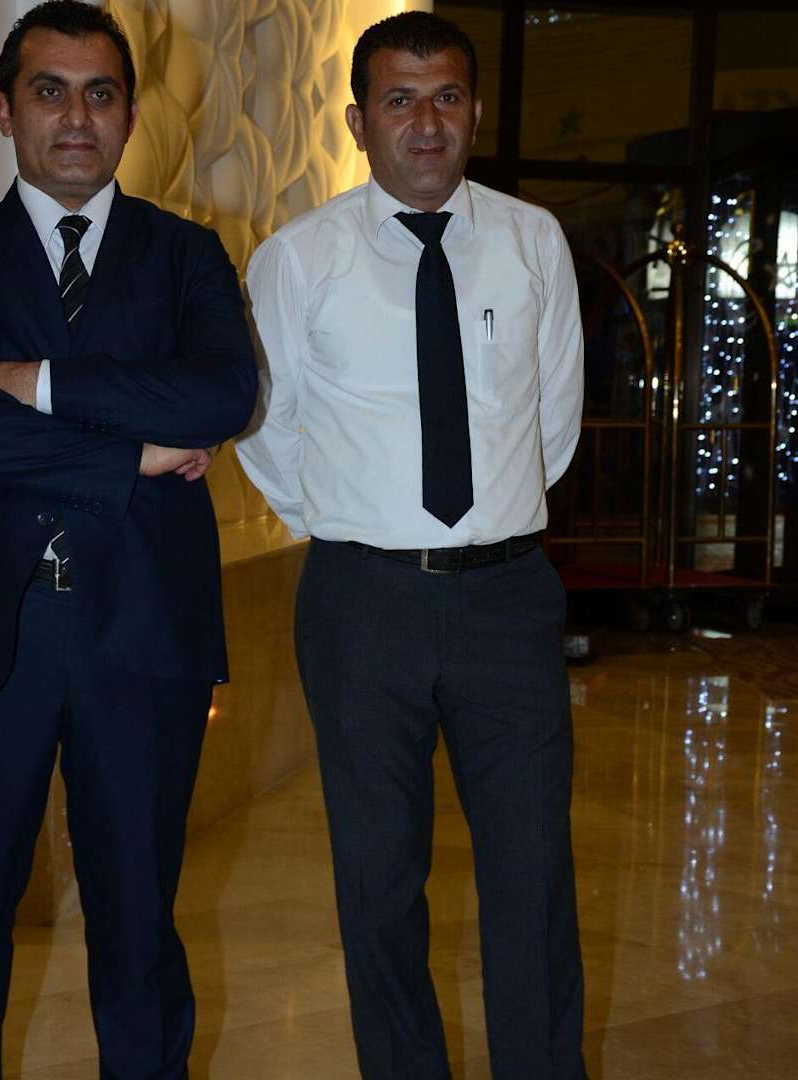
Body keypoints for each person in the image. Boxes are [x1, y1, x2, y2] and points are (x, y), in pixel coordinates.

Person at [0, 2, 256, 1076]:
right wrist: (128, 454)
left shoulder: (188, 256)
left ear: (131, 115)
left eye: (101, 94)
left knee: (139, 924)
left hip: (143, 635)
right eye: (49, 91)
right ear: (5, 110)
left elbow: (219, 395)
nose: (76, 117)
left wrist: (40, 383)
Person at [237, 11, 587, 1080]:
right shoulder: (298, 259)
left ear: (474, 113)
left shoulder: (533, 242)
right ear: (358, 120)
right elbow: (268, 429)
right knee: (378, 881)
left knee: (532, 873)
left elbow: (555, 421)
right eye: (399, 100)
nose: (425, 123)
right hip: (362, 605)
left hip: (509, 599)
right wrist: (360, 528)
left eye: (445, 98)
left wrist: (486, 523)